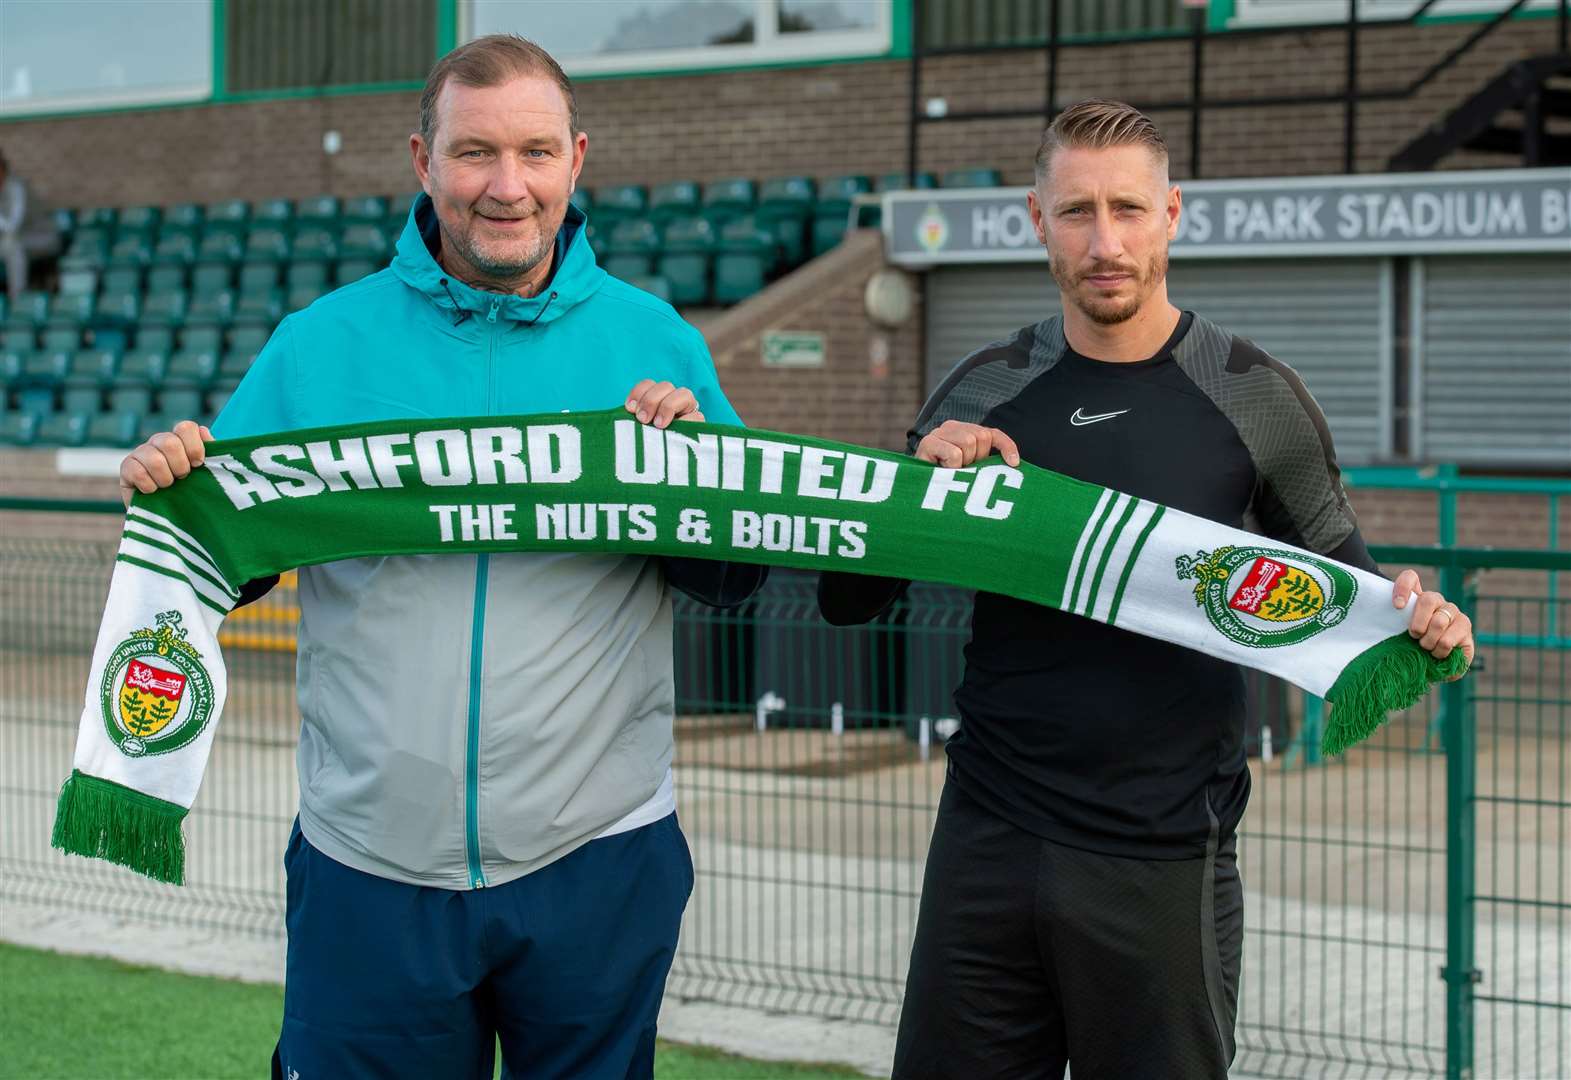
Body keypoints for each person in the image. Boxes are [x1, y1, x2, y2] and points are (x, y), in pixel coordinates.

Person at [117, 34, 764, 1080]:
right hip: (368, 864)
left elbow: (735, 576)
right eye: (475, 154)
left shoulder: (655, 343)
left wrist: (684, 484)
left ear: (576, 159)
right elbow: (227, 569)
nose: (506, 188)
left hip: (597, 856)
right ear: (422, 159)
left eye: (535, 153)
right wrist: (177, 482)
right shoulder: (319, 345)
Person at [819, 100, 1475, 1080]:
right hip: (987, 839)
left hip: (1165, 852)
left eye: (1127, 209)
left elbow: (1350, 588)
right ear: (1034, 223)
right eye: (1076, 212)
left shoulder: (1254, 393)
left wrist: (1416, 615)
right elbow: (846, 601)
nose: (1104, 241)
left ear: (1171, 214)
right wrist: (918, 482)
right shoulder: (982, 388)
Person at [0, 148, 61, 302]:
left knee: (13, 247)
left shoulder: (16, 187)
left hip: (42, 238)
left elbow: (12, 225)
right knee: (10, 245)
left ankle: (17, 301)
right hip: (12, 241)